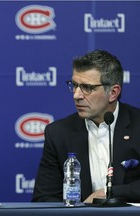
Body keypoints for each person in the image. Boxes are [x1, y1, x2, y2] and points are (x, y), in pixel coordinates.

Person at [32, 49, 140, 203]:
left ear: (113, 93)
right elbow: (44, 198)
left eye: (87, 88)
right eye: (74, 85)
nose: (76, 95)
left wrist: (108, 193)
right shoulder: (58, 133)